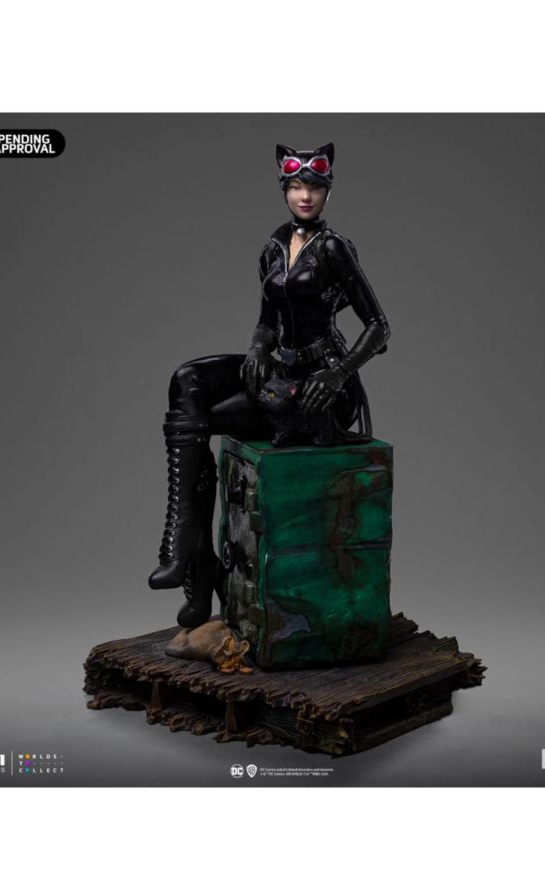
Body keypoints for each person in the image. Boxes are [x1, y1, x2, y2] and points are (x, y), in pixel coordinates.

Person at [148, 142, 391, 629]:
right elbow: (267, 321)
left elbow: (379, 326)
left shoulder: (334, 248)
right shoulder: (273, 247)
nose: (305, 196)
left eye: (314, 187)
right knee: (187, 380)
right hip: (281, 372)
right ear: (284, 190)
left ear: (327, 192)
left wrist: (338, 373)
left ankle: (195, 562)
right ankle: (185, 540)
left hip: (321, 388)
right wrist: (259, 347)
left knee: (198, 427)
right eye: (297, 186)